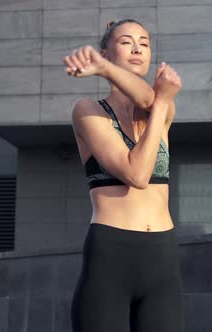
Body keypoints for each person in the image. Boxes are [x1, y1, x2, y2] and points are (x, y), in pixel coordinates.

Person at [63, 19, 184, 332]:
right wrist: (160, 103)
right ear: (106, 51)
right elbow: (137, 174)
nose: (137, 49)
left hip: (162, 258)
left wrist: (159, 104)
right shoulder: (88, 110)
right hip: (111, 255)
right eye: (126, 41)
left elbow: (147, 101)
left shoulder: (160, 109)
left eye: (144, 43)